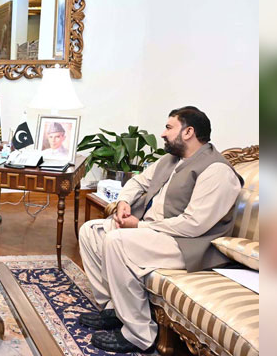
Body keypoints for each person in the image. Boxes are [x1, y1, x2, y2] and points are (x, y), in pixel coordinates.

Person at [78, 106, 243, 353]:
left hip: (188, 244)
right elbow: (137, 181)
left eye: (169, 127)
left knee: (116, 241)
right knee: (91, 231)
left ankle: (138, 334)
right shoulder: (171, 159)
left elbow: (193, 224)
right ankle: (113, 308)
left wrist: (140, 225)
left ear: (188, 132)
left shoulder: (216, 170)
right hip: (154, 230)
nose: (163, 134)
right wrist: (124, 202)